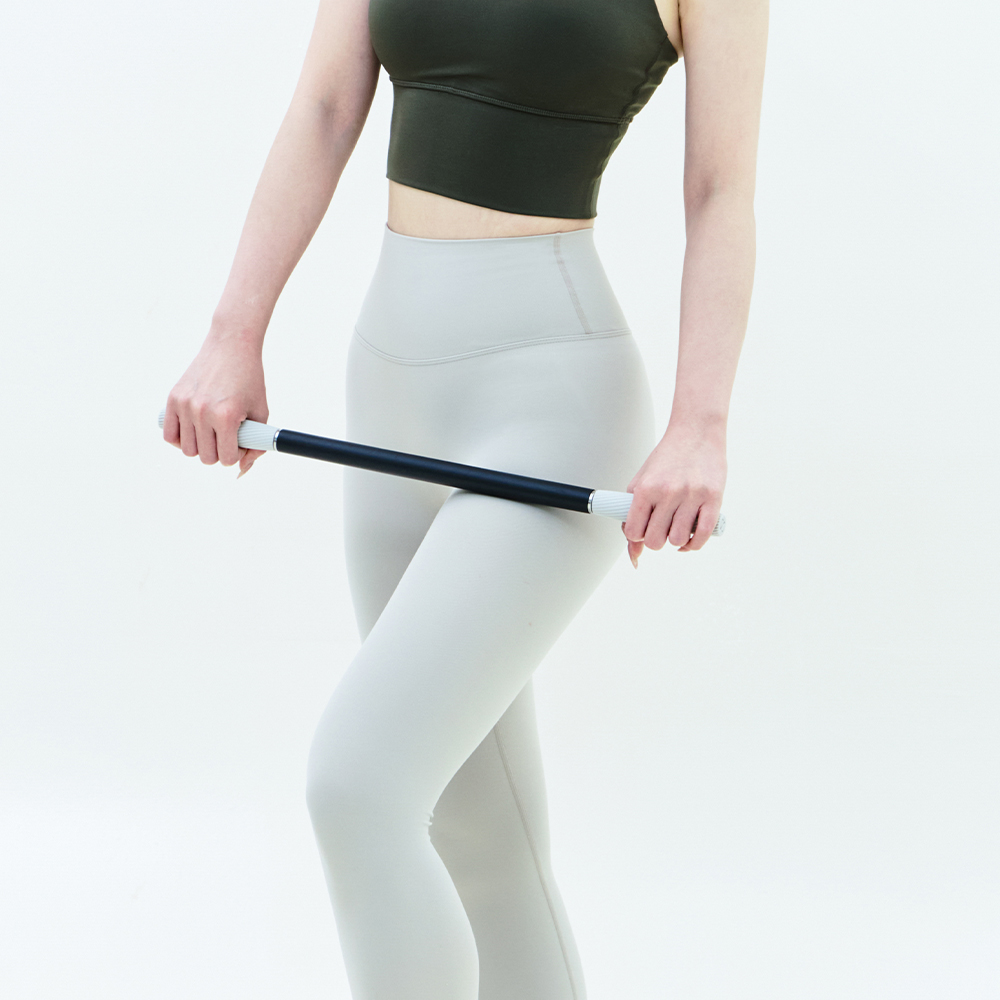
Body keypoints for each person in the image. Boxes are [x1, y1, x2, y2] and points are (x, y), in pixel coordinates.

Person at [162, 0, 768, 996]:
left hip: (552, 399)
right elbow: (324, 108)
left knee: (360, 785)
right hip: (387, 385)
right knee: (478, 834)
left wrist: (701, 421)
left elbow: (719, 188)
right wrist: (233, 333)